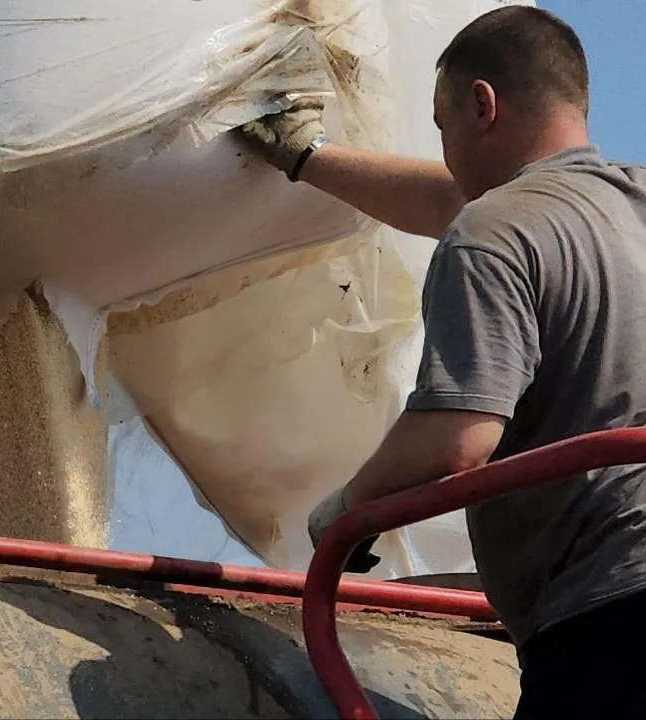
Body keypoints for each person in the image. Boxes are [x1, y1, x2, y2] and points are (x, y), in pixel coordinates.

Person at [238, 5, 646, 718]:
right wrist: (306, 159)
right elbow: (455, 198)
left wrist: (348, 510)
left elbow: (458, 440)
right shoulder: (628, 201)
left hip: (609, 618)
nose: (446, 150)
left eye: (442, 127)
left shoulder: (496, 230)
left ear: (481, 104)